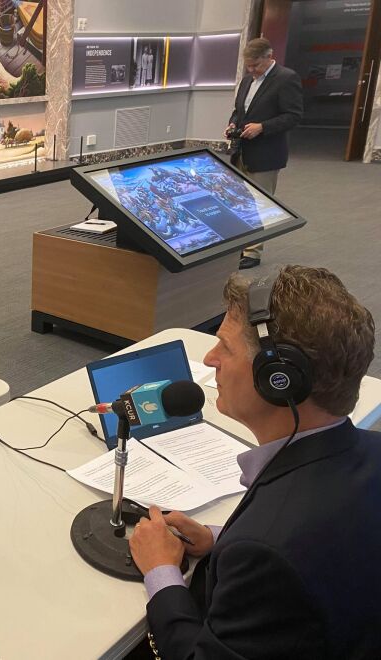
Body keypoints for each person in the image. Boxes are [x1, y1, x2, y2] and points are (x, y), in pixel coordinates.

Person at [129, 266, 381, 659]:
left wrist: (161, 571)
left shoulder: (266, 550)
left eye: (225, 348)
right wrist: (219, 537)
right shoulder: (371, 449)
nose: (210, 359)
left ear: (278, 378)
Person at [226, 38, 303, 269]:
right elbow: (239, 111)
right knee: (238, 201)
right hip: (242, 151)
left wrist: (263, 127)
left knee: (259, 203)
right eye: (248, 66)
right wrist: (232, 124)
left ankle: (253, 252)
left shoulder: (286, 78)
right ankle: (238, 244)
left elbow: (294, 115)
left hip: (267, 153)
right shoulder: (247, 80)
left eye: (255, 65)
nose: (251, 70)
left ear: (269, 57)